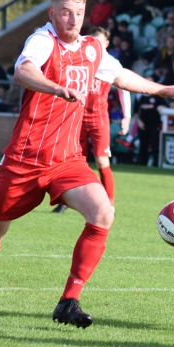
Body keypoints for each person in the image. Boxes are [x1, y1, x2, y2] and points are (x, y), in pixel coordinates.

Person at [0, 0, 174, 326]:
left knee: (102, 212)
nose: (72, 19)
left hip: (67, 161)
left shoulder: (92, 48)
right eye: (65, 12)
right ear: (52, 13)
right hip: (24, 160)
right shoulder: (41, 40)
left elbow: (120, 75)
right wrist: (57, 88)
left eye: (79, 13)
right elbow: (23, 71)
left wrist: (160, 90)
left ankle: (69, 301)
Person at [52, 27, 130, 214]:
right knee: (74, 163)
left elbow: (124, 87)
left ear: (107, 44)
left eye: (101, 41)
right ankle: (66, 201)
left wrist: (127, 116)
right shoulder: (81, 59)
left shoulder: (110, 63)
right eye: (94, 39)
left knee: (102, 162)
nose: (97, 44)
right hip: (76, 118)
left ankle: (109, 205)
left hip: (99, 119)